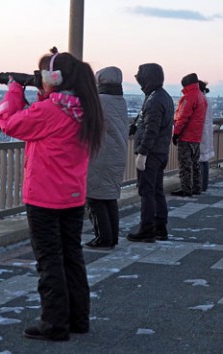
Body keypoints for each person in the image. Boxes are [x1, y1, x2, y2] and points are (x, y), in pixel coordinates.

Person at [0, 47, 104, 341]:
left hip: (44, 198)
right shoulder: (85, 109)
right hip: (73, 196)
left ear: (53, 78)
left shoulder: (49, 110)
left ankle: (54, 323)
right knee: (72, 256)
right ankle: (78, 319)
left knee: (49, 260)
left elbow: (9, 122)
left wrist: (14, 90)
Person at [127, 63, 174, 243]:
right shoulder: (163, 97)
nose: (137, 77)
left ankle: (147, 229)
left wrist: (142, 153)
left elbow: (151, 129)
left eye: (140, 74)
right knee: (157, 191)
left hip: (151, 153)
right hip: (160, 151)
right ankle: (160, 228)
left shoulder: (154, 100)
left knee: (147, 192)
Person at [85, 66, 129, 250]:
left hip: (100, 155)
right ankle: (112, 236)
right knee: (109, 198)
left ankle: (103, 238)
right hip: (117, 153)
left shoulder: (99, 101)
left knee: (95, 198)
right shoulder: (121, 101)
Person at [171, 73, 208, 197]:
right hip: (196, 136)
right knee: (195, 164)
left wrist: (176, 134)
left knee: (185, 164)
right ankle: (197, 187)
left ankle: (186, 189)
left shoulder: (189, 97)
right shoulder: (202, 97)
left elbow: (182, 117)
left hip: (186, 136)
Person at [198, 80, 214, 191]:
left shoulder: (200, 100)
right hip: (207, 131)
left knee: (199, 159)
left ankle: (199, 185)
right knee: (204, 160)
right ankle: (204, 185)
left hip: (200, 132)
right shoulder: (208, 100)